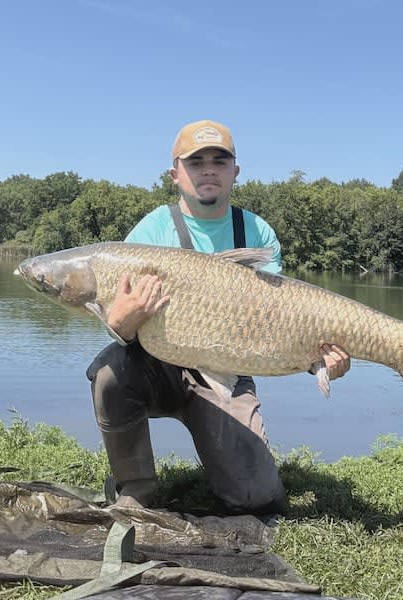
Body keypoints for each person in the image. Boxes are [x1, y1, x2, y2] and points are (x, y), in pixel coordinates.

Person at [86, 119, 352, 514]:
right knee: (108, 373)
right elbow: (123, 328)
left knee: (256, 497)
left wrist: (320, 360)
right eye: (196, 162)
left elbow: (275, 325)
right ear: (175, 173)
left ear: (235, 172)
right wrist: (121, 322)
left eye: (219, 160)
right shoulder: (151, 230)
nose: (208, 169)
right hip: (156, 364)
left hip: (225, 371)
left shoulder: (256, 232)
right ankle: (135, 488)